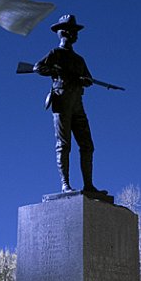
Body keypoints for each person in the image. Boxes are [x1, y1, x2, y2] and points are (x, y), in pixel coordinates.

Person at [33, 14, 107, 194]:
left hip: (77, 102)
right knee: (64, 145)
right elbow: (37, 67)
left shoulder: (79, 59)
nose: (76, 35)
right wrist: (57, 72)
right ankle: (65, 184)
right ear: (65, 33)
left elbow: (88, 78)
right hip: (61, 100)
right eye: (74, 32)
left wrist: (84, 80)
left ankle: (88, 185)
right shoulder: (55, 54)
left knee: (87, 145)